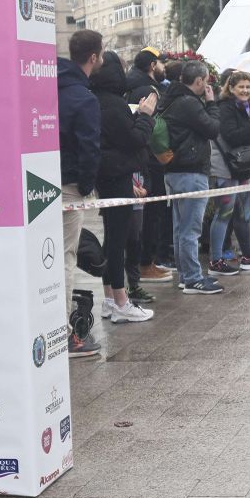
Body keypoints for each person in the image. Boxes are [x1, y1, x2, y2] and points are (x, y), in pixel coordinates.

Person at [90, 51, 157, 323]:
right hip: (116, 176)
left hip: (107, 175)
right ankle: (120, 301)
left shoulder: (96, 100)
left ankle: (109, 298)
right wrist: (145, 115)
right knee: (118, 240)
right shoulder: (112, 104)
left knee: (113, 238)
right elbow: (135, 139)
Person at [55, 30, 103, 357]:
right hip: (70, 185)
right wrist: (86, 186)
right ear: (94, 57)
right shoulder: (83, 98)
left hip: (40, 180)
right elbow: (90, 148)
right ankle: (65, 335)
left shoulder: (46, 88)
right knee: (65, 257)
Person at [160, 60, 223, 294]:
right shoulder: (188, 103)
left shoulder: (171, 98)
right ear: (198, 81)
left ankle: (186, 275)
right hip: (191, 170)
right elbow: (213, 129)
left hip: (175, 171)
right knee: (190, 229)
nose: (207, 85)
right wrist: (211, 103)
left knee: (180, 227)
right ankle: (194, 279)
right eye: (206, 81)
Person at [207, 71, 250, 275]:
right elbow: (233, 137)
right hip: (226, 169)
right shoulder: (225, 107)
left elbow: (249, 140)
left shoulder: (245, 107)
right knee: (224, 214)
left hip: (242, 168)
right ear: (231, 88)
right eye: (241, 87)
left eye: (248, 86)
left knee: (245, 214)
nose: (245, 90)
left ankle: (248, 256)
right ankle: (215, 261)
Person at [126, 47, 173, 284]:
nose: (164, 67)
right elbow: (154, 128)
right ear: (153, 65)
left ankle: (145, 263)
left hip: (138, 156)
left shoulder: (131, 85)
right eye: (161, 63)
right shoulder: (148, 90)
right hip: (149, 157)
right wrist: (164, 152)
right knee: (151, 214)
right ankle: (146, 264)